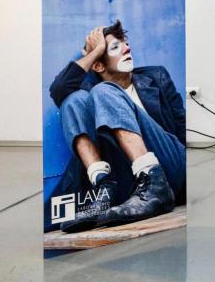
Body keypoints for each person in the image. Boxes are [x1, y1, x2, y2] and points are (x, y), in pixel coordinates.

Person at [47, 20, 185, 233]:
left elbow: (180, 128)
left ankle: (154, 182)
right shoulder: (92, 91)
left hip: (168, 164)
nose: (127, 48)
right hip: (127, 177)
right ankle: (104, 188)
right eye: (115, 47)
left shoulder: (156, 76)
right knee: (73, 99)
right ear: (99, 66)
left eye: (125, 43)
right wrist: (96, 51)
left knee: (105, 91)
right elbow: (59, 89)